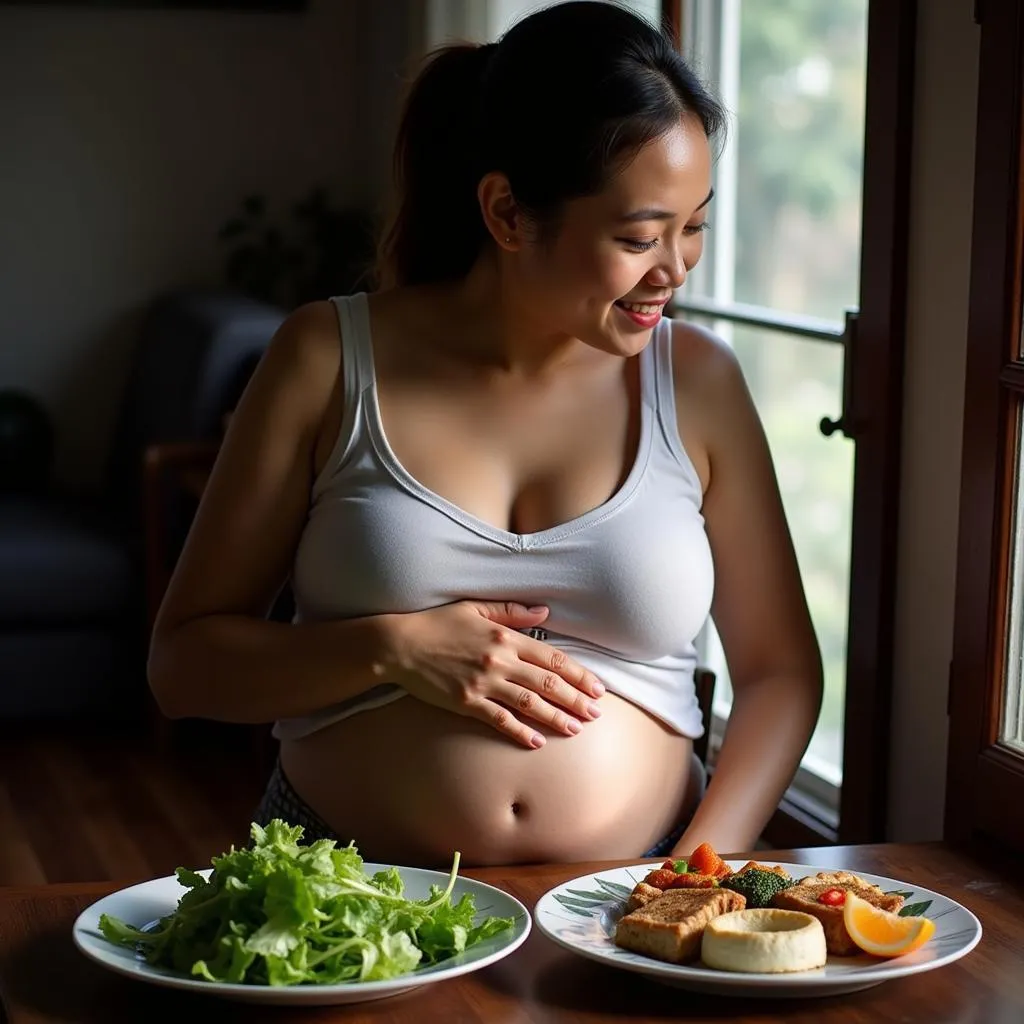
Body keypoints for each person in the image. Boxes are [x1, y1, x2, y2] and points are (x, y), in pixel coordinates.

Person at [148, 0, 823, 868]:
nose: (676, 268)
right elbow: (184, 666)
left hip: (629, 896)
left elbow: (779, 674)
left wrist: (693, 874)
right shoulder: (326, 357)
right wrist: (391, 649)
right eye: (640, 237)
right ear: (507, 213)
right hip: (350, 896)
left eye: (693, 227)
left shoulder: (698, 382)